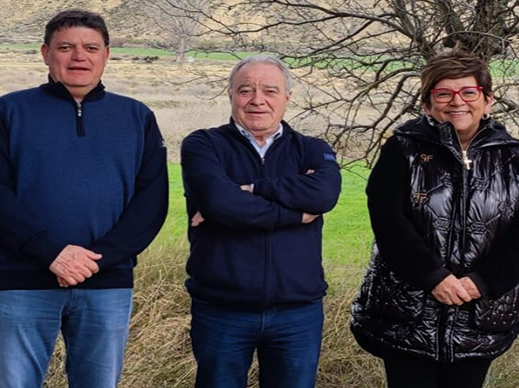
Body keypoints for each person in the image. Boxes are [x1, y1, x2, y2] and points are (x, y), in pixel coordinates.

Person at [0, 9, 169, 388]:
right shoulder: (8, 111)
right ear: (46, 54)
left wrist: (98, 259)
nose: (79, 56)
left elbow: (151, 201)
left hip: (107, 283)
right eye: (66, 47)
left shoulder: (136, 116)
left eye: (91, 47)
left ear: (106, 54)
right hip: (23, 282)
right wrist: (52, 253)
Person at [351, 51, 519, 388]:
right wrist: (433, 277)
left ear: (487, 100)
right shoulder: (403, 149)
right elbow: (388, 220)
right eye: (443, 94)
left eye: (468, 92)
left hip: (480, 317)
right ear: (428, 104)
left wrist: (482, 282)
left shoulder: (513, 157)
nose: (457, 102)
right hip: (408, 316)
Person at [181, 55, 341, 388]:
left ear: (287, 97)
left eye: (269, 90)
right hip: (222, 308)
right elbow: (220, 203)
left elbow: (323, 195)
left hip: (297, 312)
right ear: (230, 95)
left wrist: (253, 189)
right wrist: (296, 213)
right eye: (245, 90)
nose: (257, 100)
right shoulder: (203, 144)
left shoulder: (312, 148)